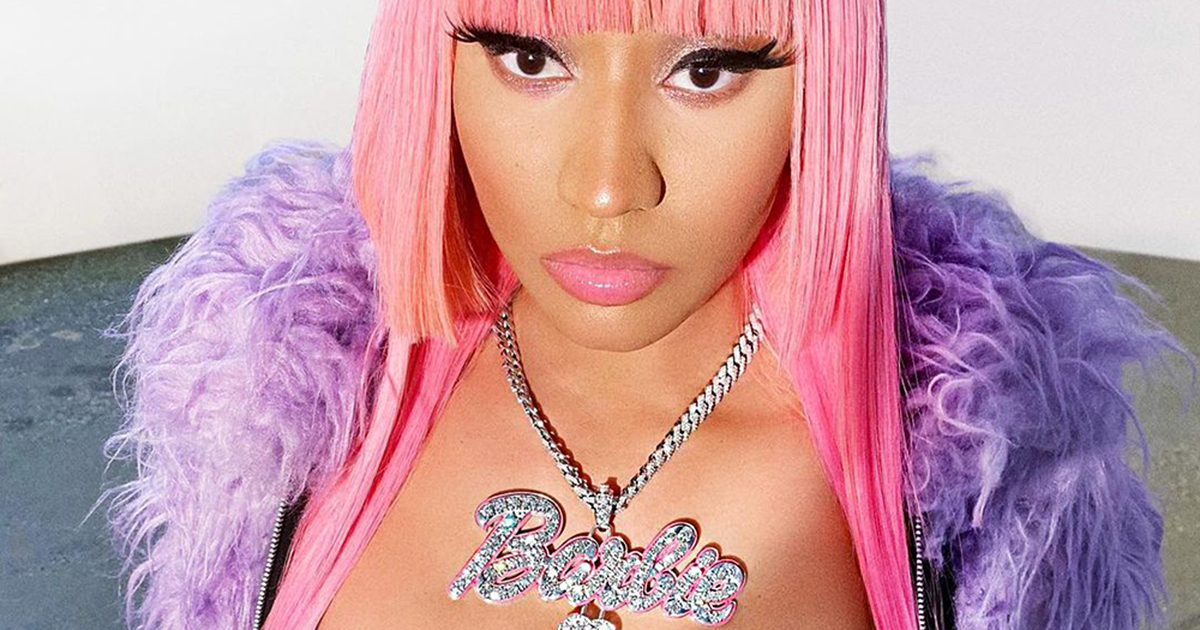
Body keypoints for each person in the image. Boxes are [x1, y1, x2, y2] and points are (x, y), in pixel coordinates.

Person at [97, 0, 1191, 629]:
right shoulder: (277, 388)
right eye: (530, 57)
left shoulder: (988, 475)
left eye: (707, 70)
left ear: (832, 77)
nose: (608, 187)